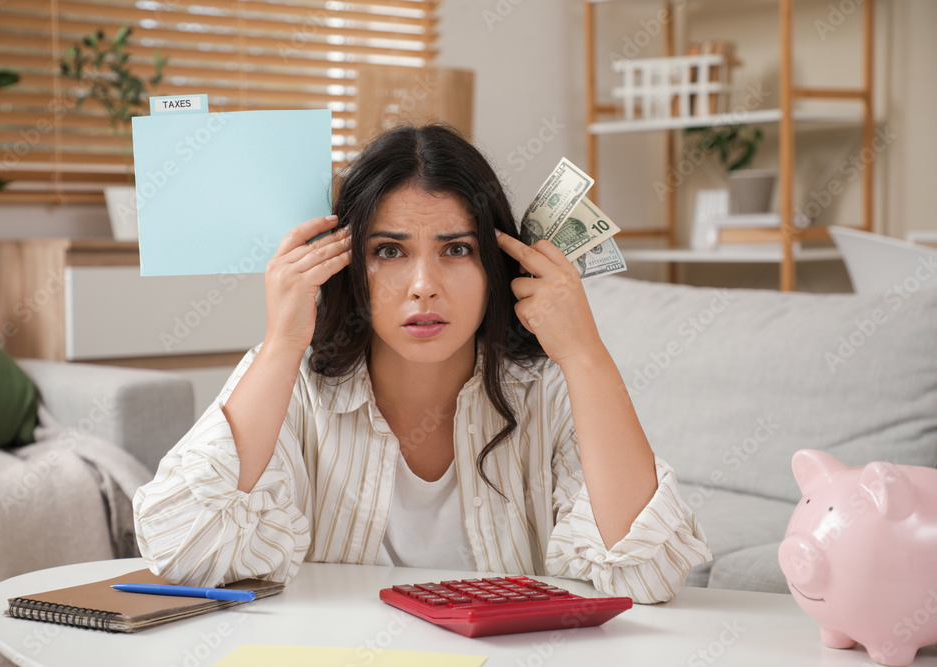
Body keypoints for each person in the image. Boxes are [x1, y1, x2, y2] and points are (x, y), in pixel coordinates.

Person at [134, 124, 710, 603]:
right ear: (347, 266)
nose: (423, 287)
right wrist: (282, 343)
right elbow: (184, 550)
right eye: (390, 251)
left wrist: (586, 352)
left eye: (456, 250)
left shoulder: (548, 390)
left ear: (495, 264)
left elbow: (647, 574)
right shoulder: (294, 385)